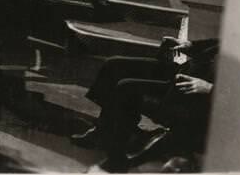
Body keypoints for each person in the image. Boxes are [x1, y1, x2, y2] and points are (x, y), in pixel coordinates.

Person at [72, 36, 216, 172]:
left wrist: (210, 88)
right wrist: (190, 45)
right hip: (187, 72)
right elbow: (218, 44)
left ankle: (117, 156)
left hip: (196, 92)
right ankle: (103, 130)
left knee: (126, 87)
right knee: (114, 65)